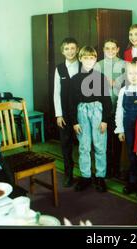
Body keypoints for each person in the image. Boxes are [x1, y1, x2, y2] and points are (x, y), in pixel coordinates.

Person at [69, 46, 112, 193]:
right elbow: (71, 102)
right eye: (85, 57)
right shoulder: (75, 79)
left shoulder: (100, 77)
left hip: (98, 113)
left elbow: (107, 100)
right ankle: (86, 176)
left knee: (100, 146)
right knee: (84, 146)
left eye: (92, 58)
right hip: (82, 112)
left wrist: (105, 120)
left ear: (95, 59)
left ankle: (100, 176)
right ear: (80, 58)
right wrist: (75, 122)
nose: (89, 60)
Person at [95, 39, 126, 179]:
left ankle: (116, 168)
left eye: (113, 48)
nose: (111, 51)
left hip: (119, 109)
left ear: (118, 49)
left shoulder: (124, 64)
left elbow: (129, 83)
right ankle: (106, 168)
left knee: (117, 141)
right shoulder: (97, 66)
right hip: (103, 110)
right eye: (107, 48)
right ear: (103, 49)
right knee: (105, 142)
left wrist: (117, 83)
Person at [114, 58, 137, 194]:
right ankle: (132, 182)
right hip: (128, 128)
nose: (133, 76)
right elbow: (119, 111)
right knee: (131, 155)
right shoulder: (123, 91)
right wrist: (120, 129)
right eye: (130, 73)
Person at [53, 37, 81, 187]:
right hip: (64, 114)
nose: (70, 51)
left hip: (81, 113)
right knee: (66, 145)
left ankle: (86, 175)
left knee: (84, 145)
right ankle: (68, 174)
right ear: (62, 51)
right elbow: (56, 93)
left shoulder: (84, 66)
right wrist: (59, 114)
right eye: (66, 49)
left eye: (72, 48)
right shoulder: (59, 69)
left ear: (77, 49)